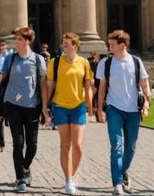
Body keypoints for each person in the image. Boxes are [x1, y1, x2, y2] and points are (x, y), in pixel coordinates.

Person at [96, 30, 150, 196]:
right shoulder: (105, 63)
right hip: (114, 108)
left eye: (112, 44)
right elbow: (102, 88)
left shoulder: (136, 61)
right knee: (116, 146)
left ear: (122, 45)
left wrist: (147, 103)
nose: (109, 46)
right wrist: (99, 109)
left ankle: (123, 171)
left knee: (131, 147)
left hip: (133, 109)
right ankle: (117, 183)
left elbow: (144, 84)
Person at [0, 27, 48, 193]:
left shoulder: (38, 59)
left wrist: (46, 108)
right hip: (13, 106)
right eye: (16, 39)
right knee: (18, 143)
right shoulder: (10, 58)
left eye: (19, 39)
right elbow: (1, 80)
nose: (16, 42)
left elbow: (43, 85)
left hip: (32, 107)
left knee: (32, 145)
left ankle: (25, 167)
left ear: (27, 41)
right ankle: (20, 178)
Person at [46, 32, 93, 195]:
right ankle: (68, 180)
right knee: (65, 145)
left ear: (75, 45)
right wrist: (45, 107)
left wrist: (90, 105)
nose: (63, 45)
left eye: (67, 43)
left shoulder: (84, 62)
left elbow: (88, 85)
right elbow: (50, 85)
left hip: (79, 106)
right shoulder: (55, 62)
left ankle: (72, 175)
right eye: (63, 43)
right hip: (60, 106)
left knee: (78, 146)